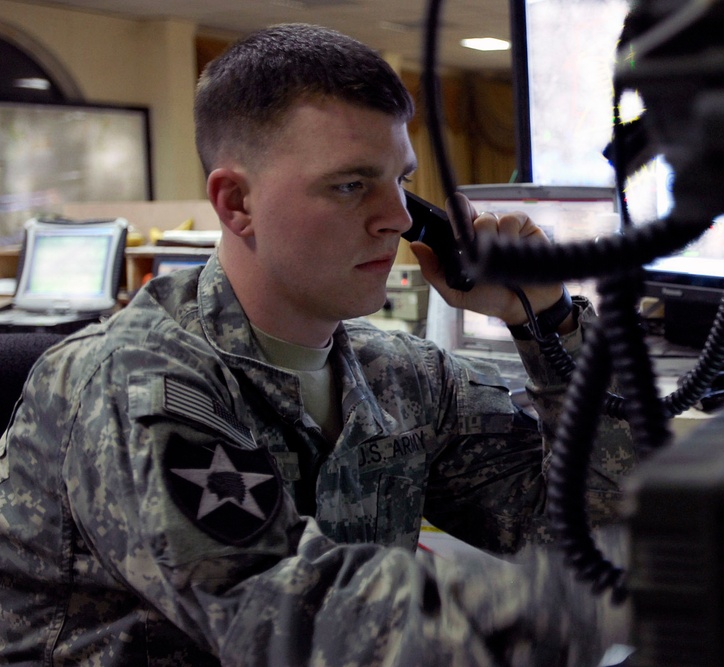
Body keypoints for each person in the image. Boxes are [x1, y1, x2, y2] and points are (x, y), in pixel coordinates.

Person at [0, 23, 633, 665]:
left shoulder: (403, 377)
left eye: (400, 181)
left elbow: (583, 529)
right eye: (351, 185)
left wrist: (544, 320)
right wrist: (616, 604)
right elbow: (301, 621)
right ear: (236, 202)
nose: (399, 217)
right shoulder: (136, 384)